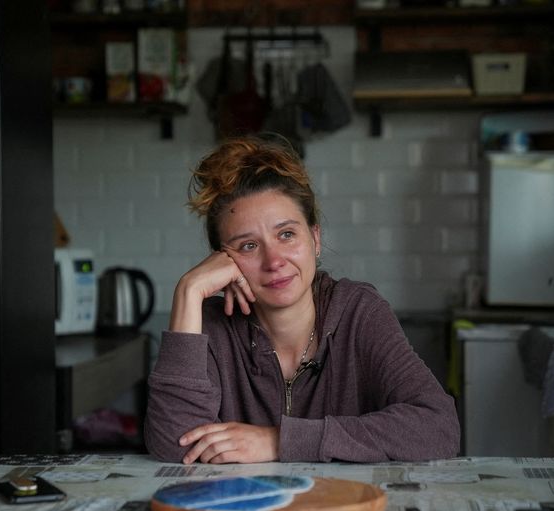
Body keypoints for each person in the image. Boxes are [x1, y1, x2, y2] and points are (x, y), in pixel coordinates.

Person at [145, 134, 460, 464]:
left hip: (344, 508)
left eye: (286, 234)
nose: (274, 261)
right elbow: (175, 448)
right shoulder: (209, 326)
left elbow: (438, 427)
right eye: (248, 245)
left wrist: (279, 441)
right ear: (222, 262)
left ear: (315, 238)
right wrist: (188, 290)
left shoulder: (359, 312)